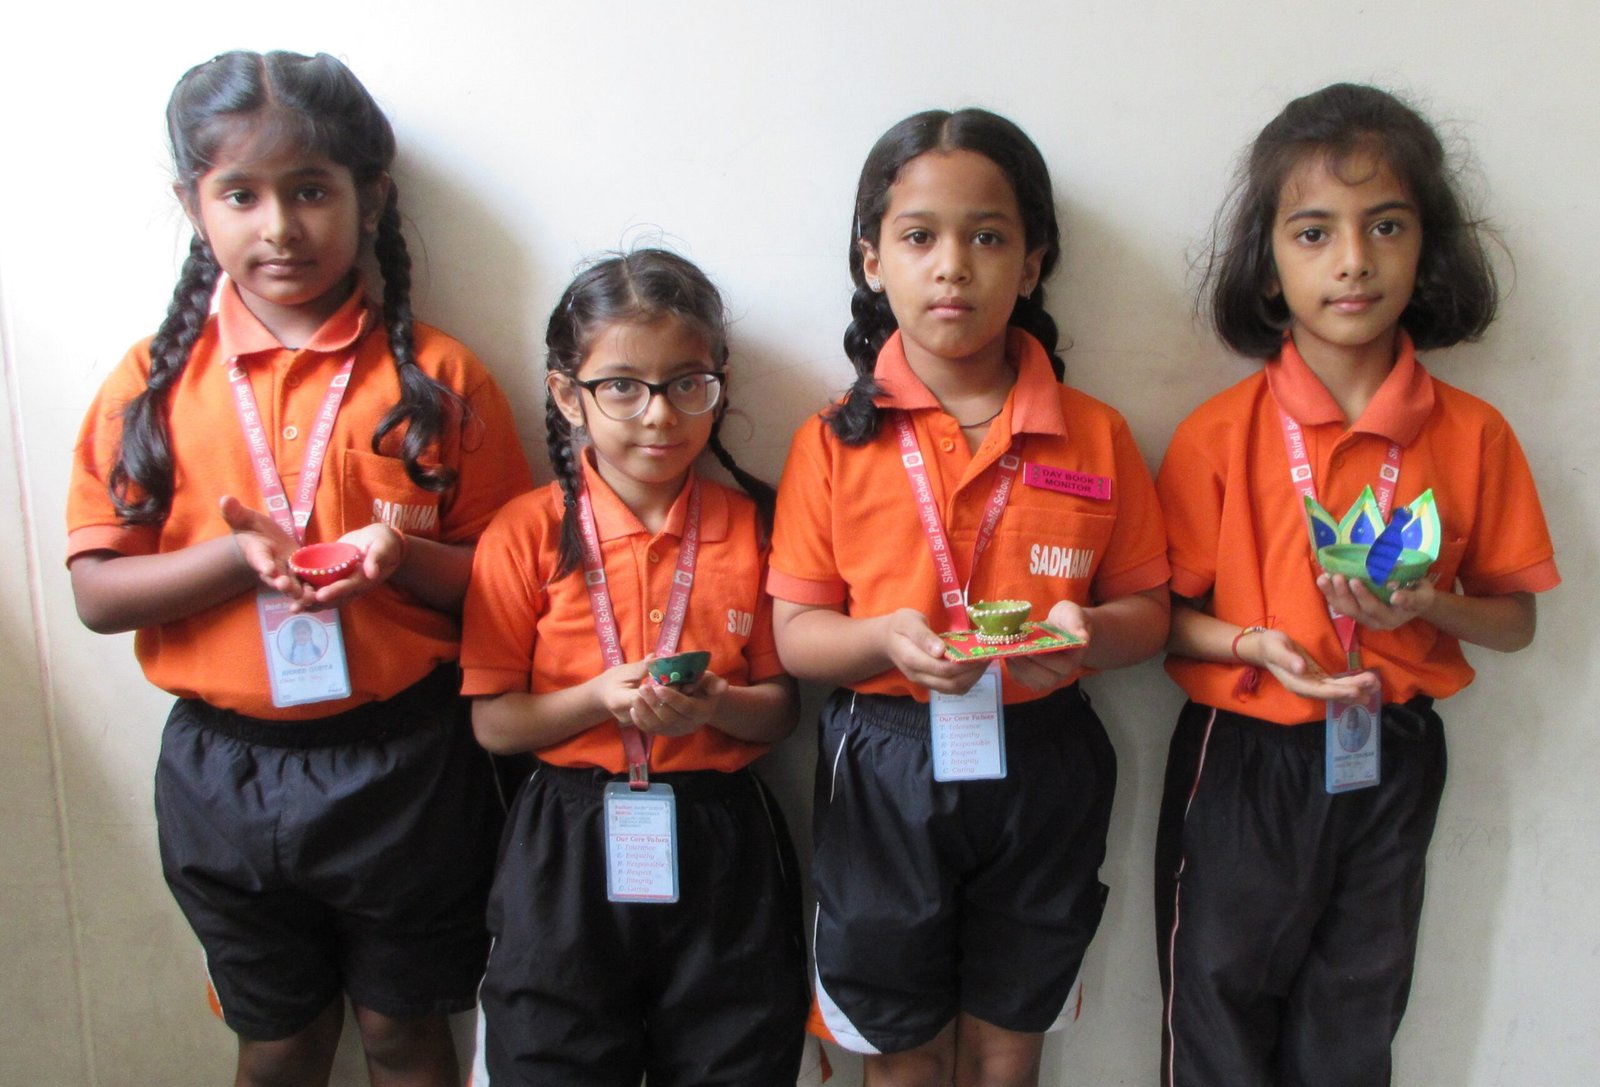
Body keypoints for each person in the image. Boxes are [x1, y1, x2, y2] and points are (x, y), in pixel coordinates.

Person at [65, 50, 532, 1087]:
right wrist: (234, 562)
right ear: (192, 206)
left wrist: (399, 557)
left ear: (372, 198)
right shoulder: (147, 387)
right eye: (242, 194)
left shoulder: (439, 378)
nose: (279, 226)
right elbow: (97, 593)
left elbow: (507, 583)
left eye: (312, 190)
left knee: (406, 1036)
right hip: (222, 776)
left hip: (408, 766)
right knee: (277, 1044)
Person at [1154, 83, 1560, 1086]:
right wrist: (1250, 643)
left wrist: (1429, 605)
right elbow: (1161, 617)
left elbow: (1514, 620)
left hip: (1391, 747)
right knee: (1216, 1015)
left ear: (1426, 246)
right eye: (1313, 232)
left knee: (1354, 1021)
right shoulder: (1219, 433)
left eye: (1386, 225)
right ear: (1268, 262)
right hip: (1245, 752)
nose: (1353, 260)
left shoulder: (1473, 434)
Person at [768, 109, 1171, 1087]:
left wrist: (1088, 632)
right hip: (884, 762)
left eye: (987, 237)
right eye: (919, 237)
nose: (952, 266)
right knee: (901, 1052)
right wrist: (881, 639)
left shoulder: (1095, 434)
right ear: (873, 261)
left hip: (1043, 753)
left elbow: (1149, 614)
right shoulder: (832, 441)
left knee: (1004, 1049)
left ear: (1032, 264)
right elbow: (796, 635)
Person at [461, 249, 808, 1086]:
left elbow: (781, 709)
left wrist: (717, 704)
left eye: (687, 383)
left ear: (719, 384)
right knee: (552, 1059)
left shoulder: (755, 526)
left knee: (734, 1058)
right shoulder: (525, 532)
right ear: (565, 394)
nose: (659, 414)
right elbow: (494, 721)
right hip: (566, 836)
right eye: (622, 386)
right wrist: (593, 698)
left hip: (721, 835)